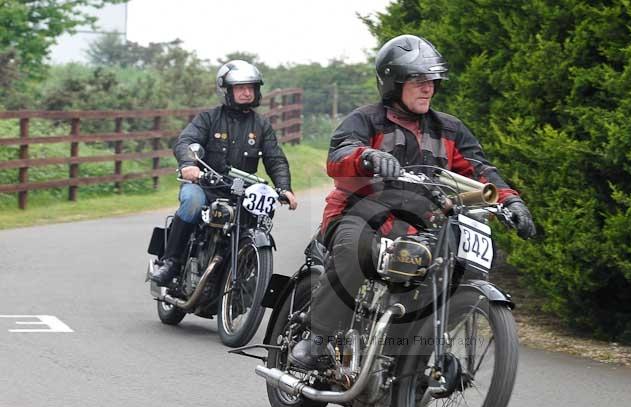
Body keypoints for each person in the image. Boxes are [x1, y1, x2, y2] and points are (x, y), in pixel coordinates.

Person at [288, 34, 535, 370]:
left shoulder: (449, 129)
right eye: (418, 80)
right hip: (361, 217)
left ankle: (407, 359)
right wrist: (368, 157)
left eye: (431, 80)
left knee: (456, 270)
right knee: (356, 249)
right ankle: (317, 339)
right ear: (393, 83)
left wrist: (510, 201)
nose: (428, 88)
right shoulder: (366, 119)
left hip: (421, 228)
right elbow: (340, 156)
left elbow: (479, 170)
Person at [151, 59, 298, 285]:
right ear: (226, 91)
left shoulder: (262, 125)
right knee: (191, 202)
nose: (247, 93)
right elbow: (186, 141)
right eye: (240, 88)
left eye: (251, 88)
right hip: (205, 185)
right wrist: (190, 164)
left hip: (240, 192)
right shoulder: (209, 118)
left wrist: (284, 188)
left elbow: (274, 158)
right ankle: (171, 263)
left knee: (260, 217)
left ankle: (245, 270)